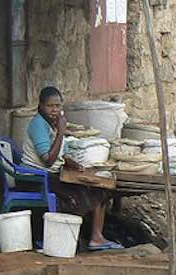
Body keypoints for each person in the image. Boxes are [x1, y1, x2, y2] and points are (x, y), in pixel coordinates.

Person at [21, 86, 123, 251]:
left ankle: (96, 238)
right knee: (85, 194)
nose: (54, 110)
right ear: (40, 106)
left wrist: (72, 162)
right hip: (38, 179)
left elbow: (60, 152)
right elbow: (47, 160)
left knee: (100, 189)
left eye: (58, 106)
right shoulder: (38, 124)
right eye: (50, 106)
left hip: (51, 175)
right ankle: (71, 238)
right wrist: (62, 132)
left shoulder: (52, 124)